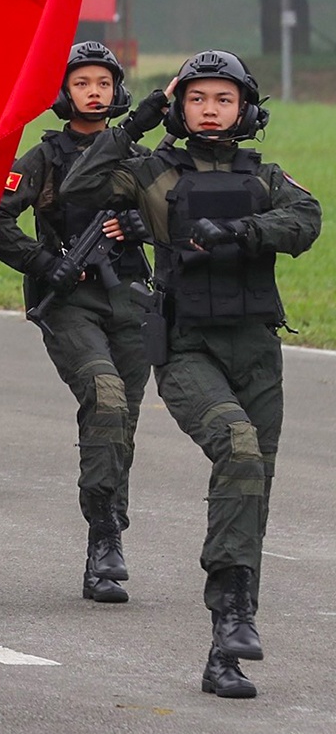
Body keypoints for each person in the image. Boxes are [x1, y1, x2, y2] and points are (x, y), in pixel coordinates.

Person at [60, 51, 320, 700]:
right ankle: (232, 612)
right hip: (187, 346)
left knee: (251, 483)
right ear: (180, 105)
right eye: (197, 97)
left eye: (223, 98)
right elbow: (81, 185)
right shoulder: (150, 172)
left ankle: (227, 641)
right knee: (236, 446)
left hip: (257, 346)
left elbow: (307, 218)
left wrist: (242, 230)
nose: (210, 109)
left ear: (245, 109)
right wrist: (143, 112)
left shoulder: (263, 177)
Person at [0, 41, 149, 605]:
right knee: (104, 397)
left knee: (120, 420)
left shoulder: (136, 155)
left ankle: (106, 541)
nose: (95, 92)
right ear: (64, 93)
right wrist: (43, 262)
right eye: (83, 83)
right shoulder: (45, 157)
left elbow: (178, 220)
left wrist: (139, 228)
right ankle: (105, 535)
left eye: (104, 83)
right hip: (69, 302)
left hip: (130, 298)